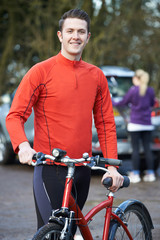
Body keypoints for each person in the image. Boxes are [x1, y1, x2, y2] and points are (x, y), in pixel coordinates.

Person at [6, 8, 123, 237]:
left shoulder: (96, 75)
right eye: (70, 31)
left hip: (82, 170)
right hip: (50, 169)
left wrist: (112, 167)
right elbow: (15, 116)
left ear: (88, 37)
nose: (75, 36)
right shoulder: (40, 72)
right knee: (51, 232)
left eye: (81, 31)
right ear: (60, 35)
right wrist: (22, 146)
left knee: (72, 233)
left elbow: (106, 124)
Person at [112, 69, 156, 183]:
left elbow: (123, 103)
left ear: (136, 79)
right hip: (147, 124)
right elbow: (152, 103)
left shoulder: (133, 90)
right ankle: (151, 174)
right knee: (147, 148)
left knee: (135, 149)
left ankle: (135, 174)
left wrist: (111, 101)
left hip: (135, 124)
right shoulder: (150, 90)